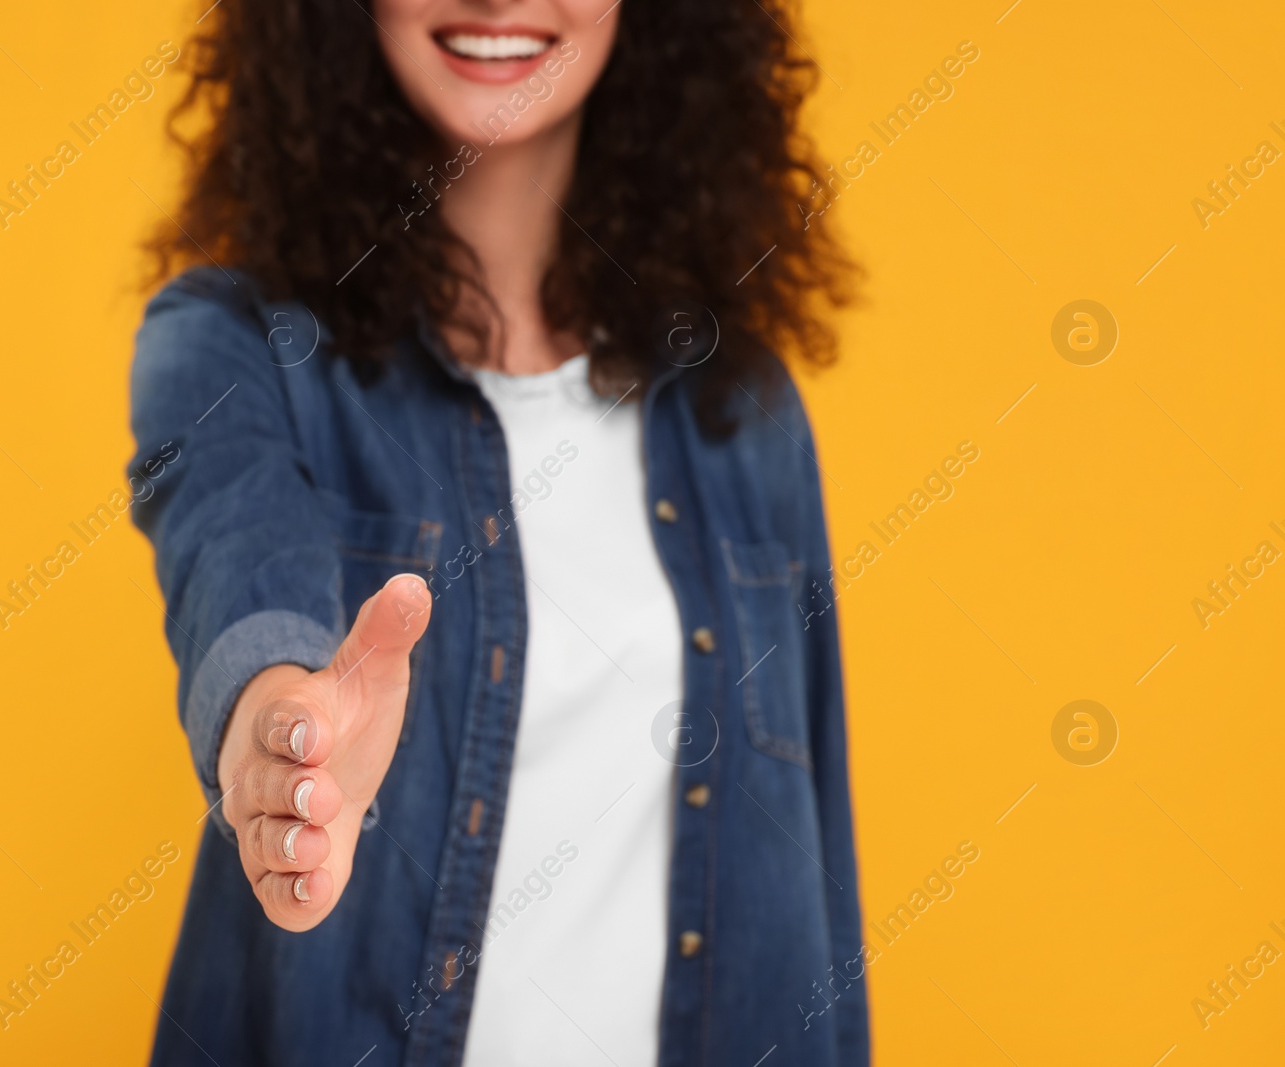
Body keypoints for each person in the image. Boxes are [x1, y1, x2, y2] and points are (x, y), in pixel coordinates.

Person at [128, 2, 865, 1064]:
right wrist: (280, 733)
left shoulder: (741, 405)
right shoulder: (227, 344)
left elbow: (819, 869)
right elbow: (232, 555)